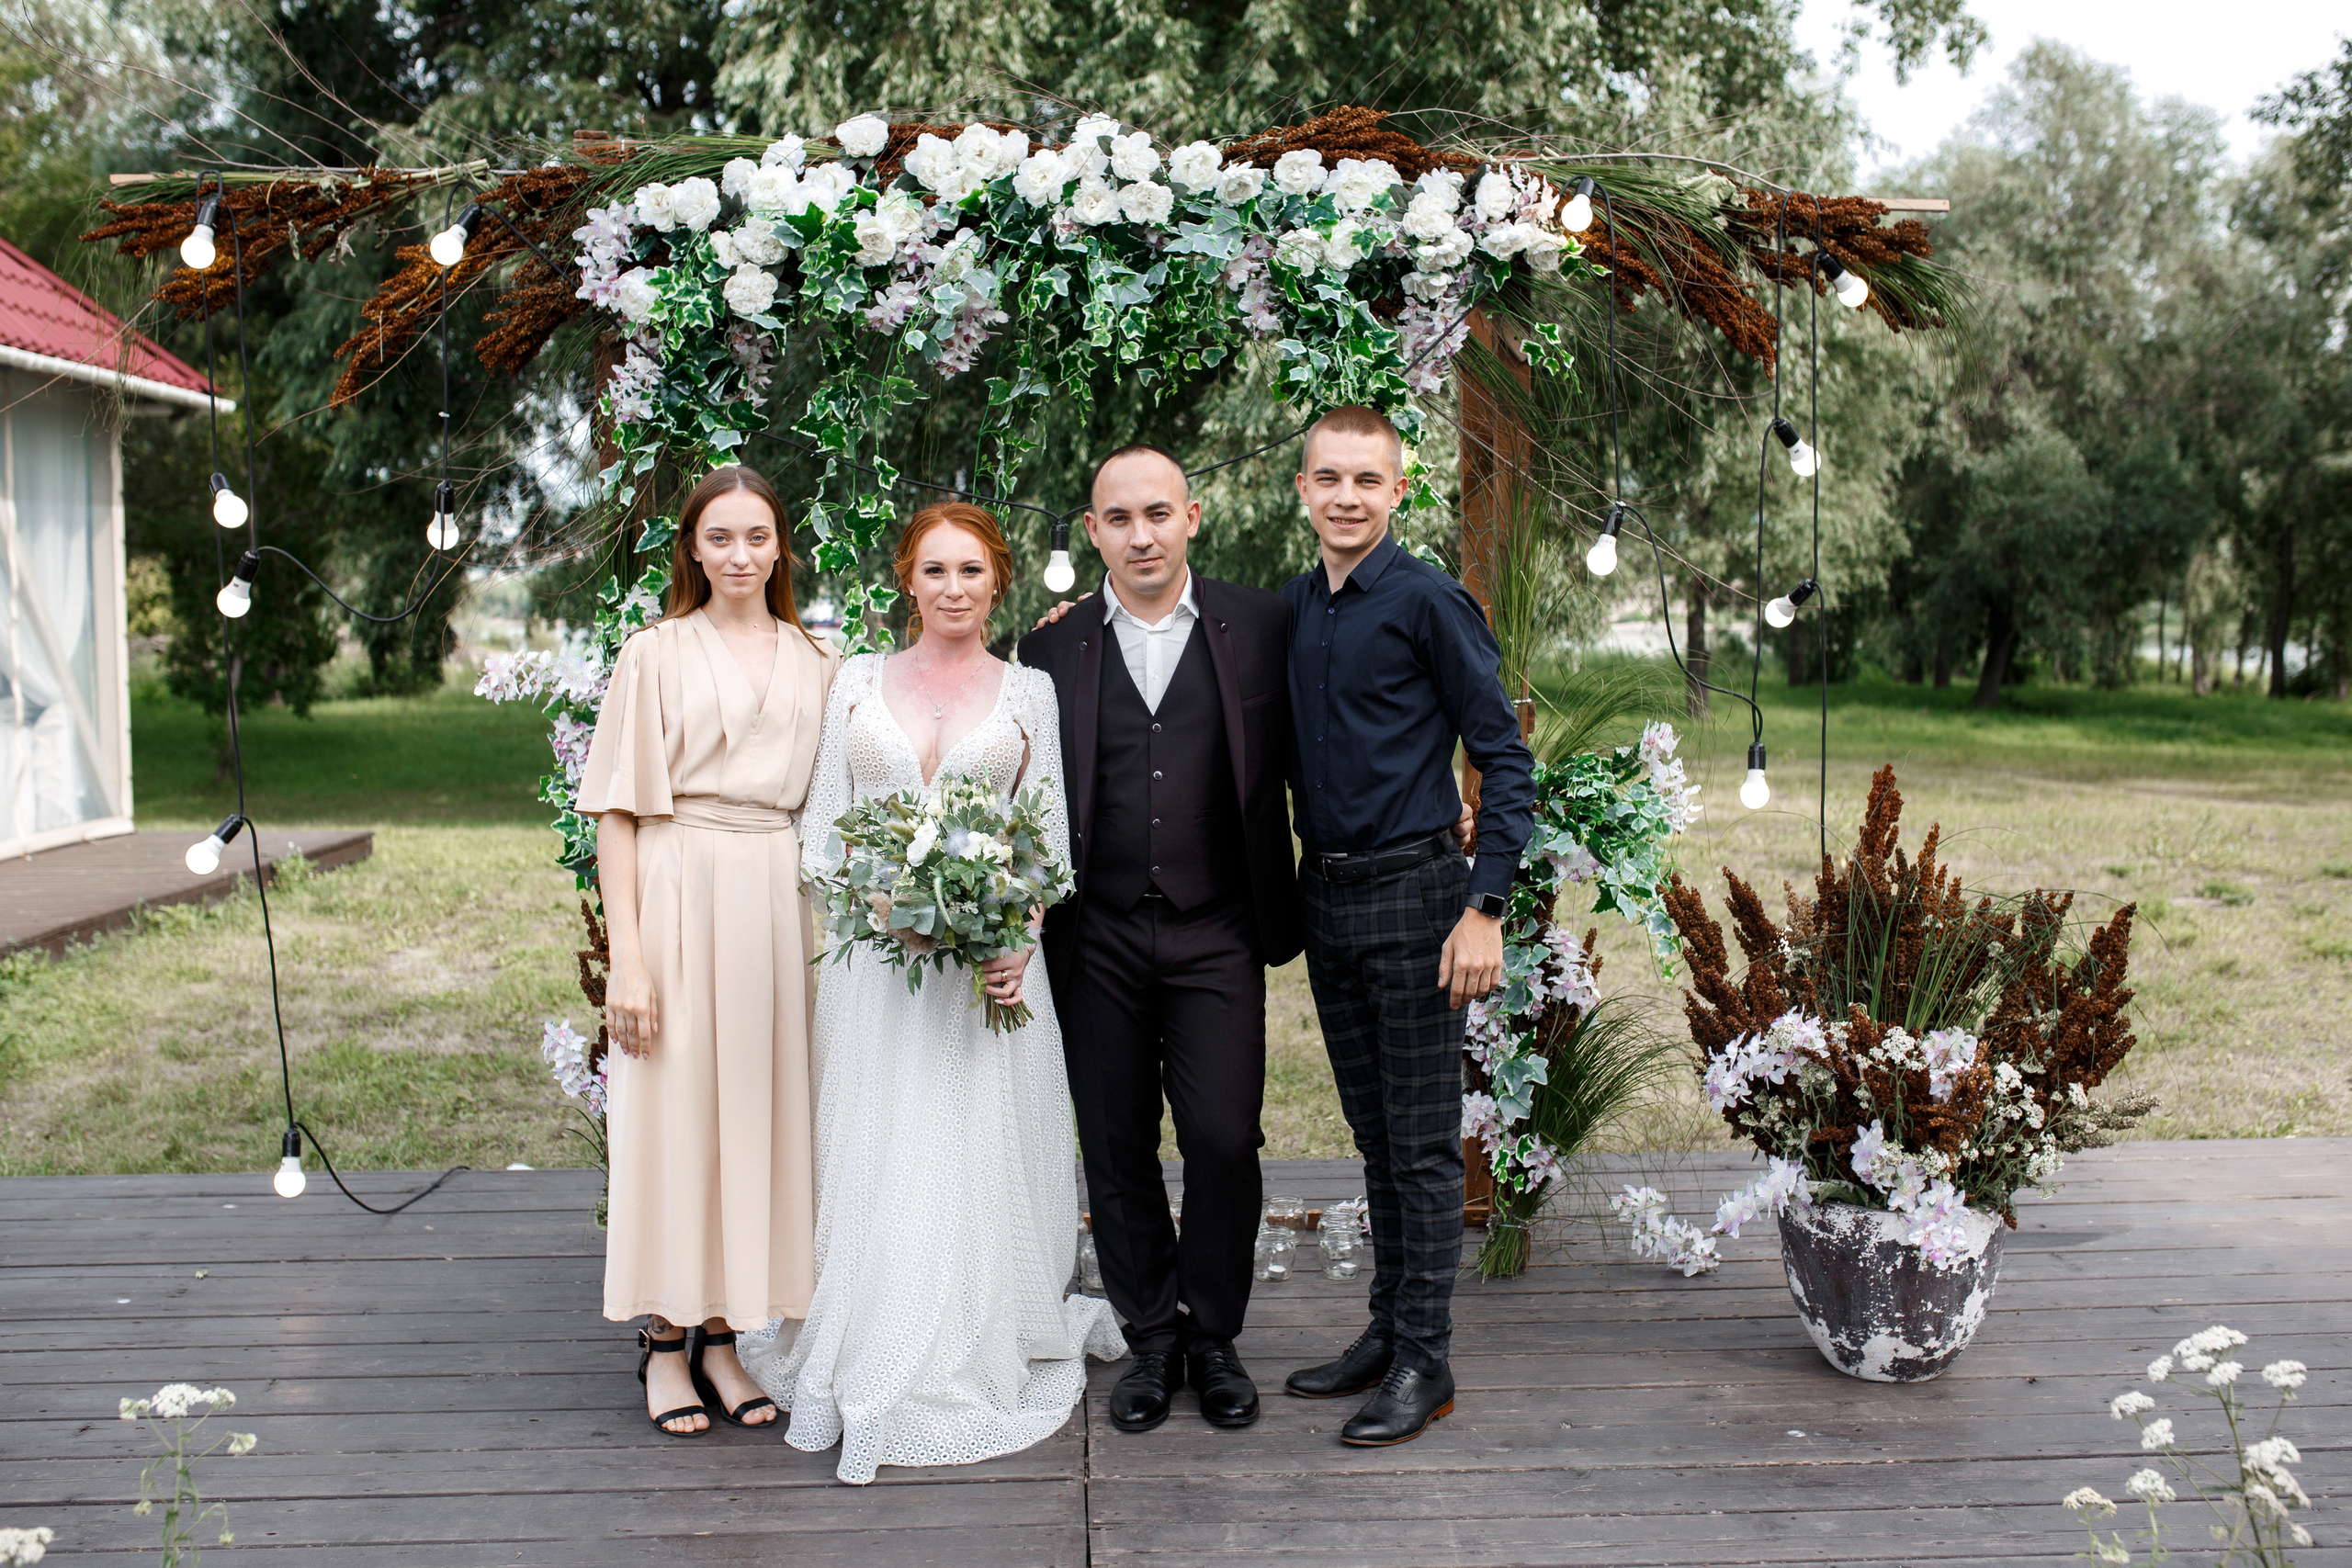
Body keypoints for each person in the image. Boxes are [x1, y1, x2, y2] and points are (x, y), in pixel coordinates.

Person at [744, 502, 1124, 1484]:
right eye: (935, 571)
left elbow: (1046, 839)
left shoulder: (1029, 693)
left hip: (989, 970)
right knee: (881, 1145)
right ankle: (867, 1328)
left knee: (967, 1145)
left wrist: (1018, 940)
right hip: (877, 969)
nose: (953, 590)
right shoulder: (855, 683)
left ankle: (969, 1332)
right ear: (906, 581)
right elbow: (825, 826)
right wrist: (887, 908)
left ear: (997, 582)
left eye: (971, 572)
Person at [1015, 446, 1303, 1436]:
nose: (1140, 534)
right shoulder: (1049, 651)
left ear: (1192, 517)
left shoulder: (1264, 624)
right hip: (1093, 934)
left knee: (1225, 1138)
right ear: (1091, 531)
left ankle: (1212, 1333)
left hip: (1219, 926)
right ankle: (1151, 1340)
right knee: (1117, 1146)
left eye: (1157, 514)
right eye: (1117, 518)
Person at [1278, 405, 1535, 1447]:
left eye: (1366, 481)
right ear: (1303, 490)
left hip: (1422, 899)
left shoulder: (1430, 602)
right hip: (1327, 899)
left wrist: (1483, 906)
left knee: (1425, 1149)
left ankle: (1426, 1362)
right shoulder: (1297, 607)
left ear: (1397, 490)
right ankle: (1386, 1331)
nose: (1346, 497)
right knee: (1374, 1136)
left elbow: (1504, 759)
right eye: (1328, 479)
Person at [578, 464, 838, 1438]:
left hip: (773, 895)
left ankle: (726, 1338)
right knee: (676, 1116)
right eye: (719, 538)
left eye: (756, 537)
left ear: (780, 548)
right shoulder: (654, 654)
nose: (739, 555)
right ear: (691, 548)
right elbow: (615, 815)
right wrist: (630, 962)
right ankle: (663, 1337)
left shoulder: (818, 658)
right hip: (678, 881)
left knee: (756, 1120)